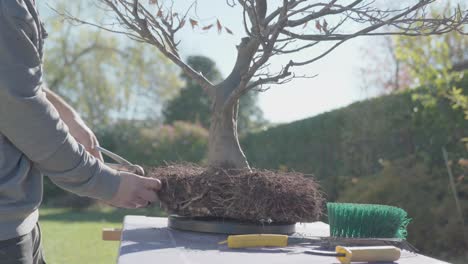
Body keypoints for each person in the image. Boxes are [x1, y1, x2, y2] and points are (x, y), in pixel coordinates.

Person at [0, 0, 162, 263]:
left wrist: (68, 117)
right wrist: (107, 183)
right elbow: (15, 103)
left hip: (17, 223)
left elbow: (16, 80)